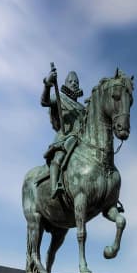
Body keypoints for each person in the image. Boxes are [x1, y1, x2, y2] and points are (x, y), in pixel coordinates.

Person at [41, 68, 86, 198]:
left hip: (81, 141)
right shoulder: (60, 98)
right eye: (71, 81)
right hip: (64, 138)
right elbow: (45, 102)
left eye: (76, 81)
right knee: (59, 157)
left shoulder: (83, 109)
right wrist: (47, 84)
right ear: (66, 83)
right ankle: (55, 185)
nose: (74, 83)